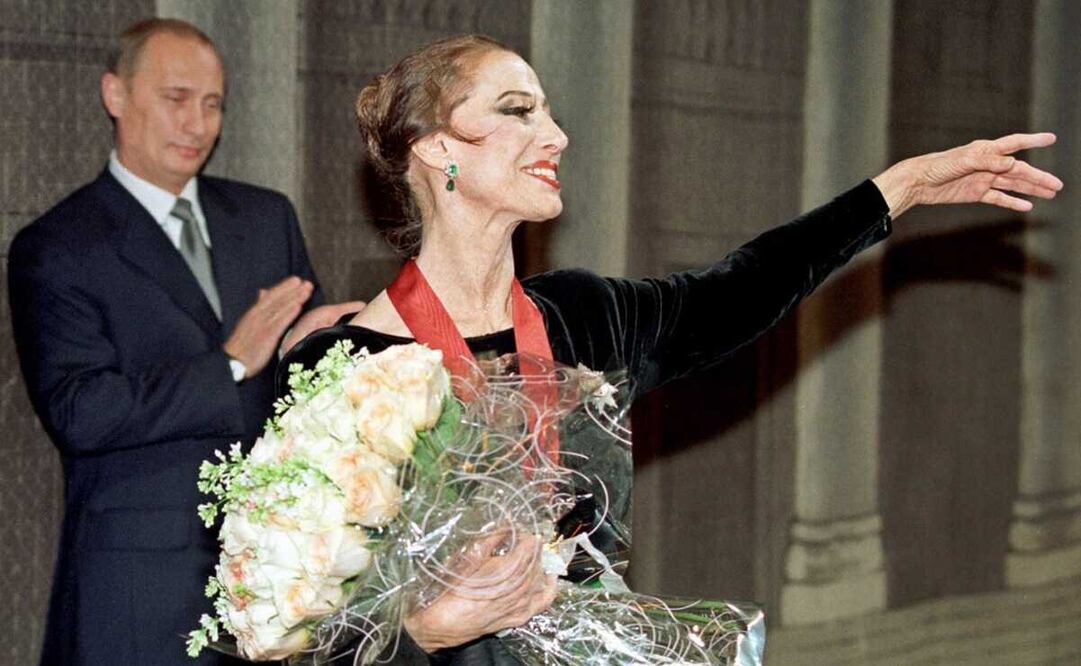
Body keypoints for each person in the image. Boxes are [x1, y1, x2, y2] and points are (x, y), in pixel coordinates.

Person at [282, 34, 1063, 664]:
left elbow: (741, 288)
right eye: (517, 111)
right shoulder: (340, 369)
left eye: (547, 112)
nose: (554, 135)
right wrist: (426, 634)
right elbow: (298, 638)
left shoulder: (586, 316)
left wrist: (898, 189)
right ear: (433, 148)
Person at [7, 18, 360, 666]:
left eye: (212, 104)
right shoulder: (57, 247)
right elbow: (80, 412)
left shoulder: (264, 217)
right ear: (116, 95)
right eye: (176, 99)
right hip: (136, 588)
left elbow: (305, 390)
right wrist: (227, 364)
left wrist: (316, 353)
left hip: (275, 571)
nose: (196, 124)